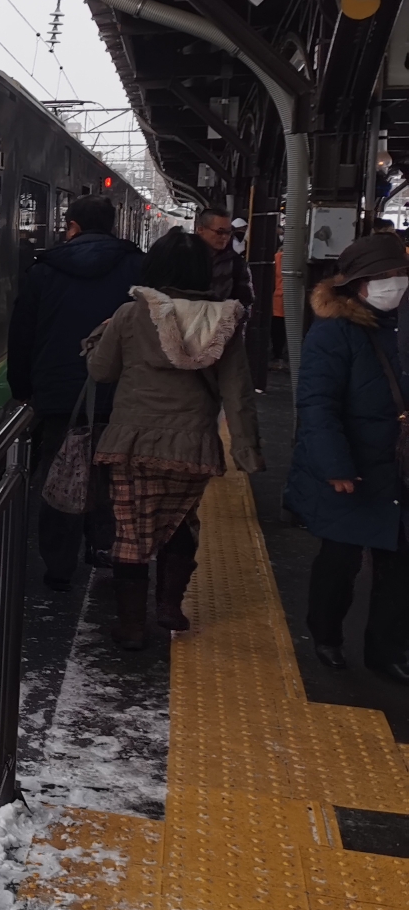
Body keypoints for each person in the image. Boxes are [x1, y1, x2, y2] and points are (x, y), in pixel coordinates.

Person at [86, 229, 263, 649]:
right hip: (193, 446)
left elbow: (101, 371)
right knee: (180, 522)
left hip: (132, 443)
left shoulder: (131, 315)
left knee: (132, 533)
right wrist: (247, 451)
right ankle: (169, 608)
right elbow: (237, 393)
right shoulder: (225, 321)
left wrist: (98, 336)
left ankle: (131, 626)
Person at [283, 234, 409, 683]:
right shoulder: (335, 332)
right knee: (341, 559)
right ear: (355, 284)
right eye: (380, 278)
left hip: (400, 466)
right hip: (352, 465)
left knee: (399, 565)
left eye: (398, 275)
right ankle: (326, 635)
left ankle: (387, 650)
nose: (392, 285)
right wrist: (335, 465)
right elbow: (317, 404)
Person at [8, 194, 143, 590]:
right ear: (113, 225)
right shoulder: (137, 266)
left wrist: (24, 388)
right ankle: (104, 546)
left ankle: (59, 565)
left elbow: (23, 334)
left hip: (59, 393)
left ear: (73, 226)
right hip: (120, 390)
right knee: (113, 474)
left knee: (61, 474)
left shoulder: (44, 270)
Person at [196, 206, 254, 309]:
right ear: (200, 230)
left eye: (228, 232)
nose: (225, 237)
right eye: (219, 232)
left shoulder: (237, 264)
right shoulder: (183, 258)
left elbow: (245, 302)